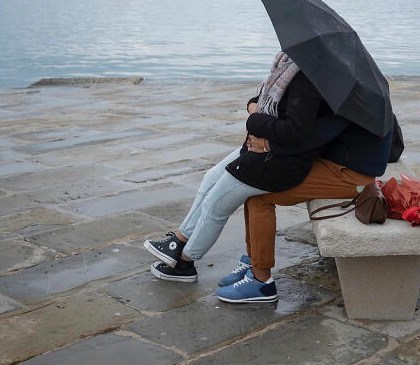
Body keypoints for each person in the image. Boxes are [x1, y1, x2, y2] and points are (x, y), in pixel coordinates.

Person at [143, 52, 344, 301]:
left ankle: (184, 263)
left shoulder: (307, 78)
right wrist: (256, 111)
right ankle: (179, 242)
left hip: (278, 161)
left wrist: (256, 119)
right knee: (210, 179)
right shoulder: (287, 66)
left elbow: (295, 130)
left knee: (216, 204)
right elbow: (258, 100)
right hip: (262, 150)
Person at [214, 120, 394, 303]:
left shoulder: (349, 102)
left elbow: (314, 136)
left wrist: (269, 145)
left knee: (260, 196)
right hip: (338, 163)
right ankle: (253, 261)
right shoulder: (358, 96)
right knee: (255, 181)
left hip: (350, 176)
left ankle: (261, 281)